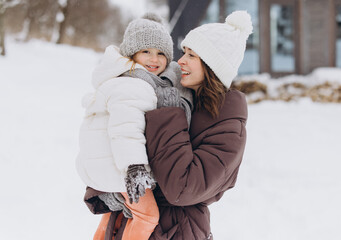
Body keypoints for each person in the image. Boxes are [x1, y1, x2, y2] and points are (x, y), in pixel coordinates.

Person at [84, 10, 252, 239]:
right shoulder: (175, 94)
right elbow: (116, 138)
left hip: (176, 231)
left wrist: (168, 113)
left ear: (212, 65)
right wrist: (109, 189)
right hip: (131, 222)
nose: (180, 61)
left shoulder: (226, 122)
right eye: (183, 52)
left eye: (191, 56)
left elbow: (181, 189)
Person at [76, 13, 192, 240]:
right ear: (131, 54)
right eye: (146, 51)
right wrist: (135, 166)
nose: (154, 59)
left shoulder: (127, 79)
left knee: (120, 215)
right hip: (121, 166)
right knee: (147, 216)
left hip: (106, 163)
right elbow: (126, 128)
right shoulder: (134, 85)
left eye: (161, 53)